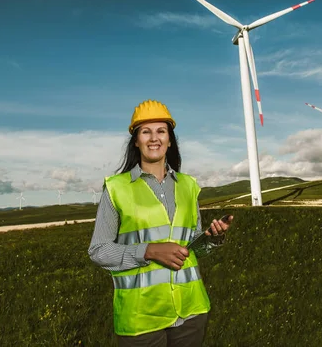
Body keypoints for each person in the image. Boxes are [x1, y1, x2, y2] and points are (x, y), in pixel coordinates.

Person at [89, 99, 233, 347]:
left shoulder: (189, 186)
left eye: (161, 131)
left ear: (169, 139)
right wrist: (149, 251)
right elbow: (98, 250)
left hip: (191, 311)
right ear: (136, 140)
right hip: (141, 317)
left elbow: (190, 249)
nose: (153, 138)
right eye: (146, 131)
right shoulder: (116, 188)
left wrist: (211, 239)